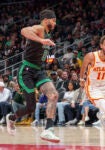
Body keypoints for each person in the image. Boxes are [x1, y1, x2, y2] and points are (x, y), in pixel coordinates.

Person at [6, 9, 60, 142]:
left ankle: (48, 130)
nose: (54, 24)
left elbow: (44, 56)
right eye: (53, 21)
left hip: (39, 70)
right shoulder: (40, 28)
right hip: (27, 71)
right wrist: (41, 41)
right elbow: (24, 31)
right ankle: (11, 118)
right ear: (47, 19)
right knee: (31, 107)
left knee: (53, 95)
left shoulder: (47, 36)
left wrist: (49, 56)